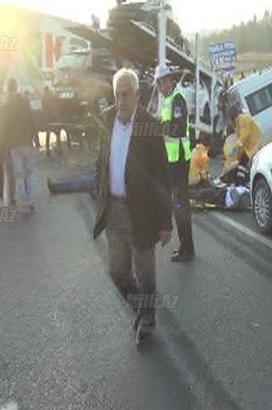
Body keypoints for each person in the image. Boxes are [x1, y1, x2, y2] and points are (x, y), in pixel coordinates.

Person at [92, 68, 172, 346]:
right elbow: (100, 161)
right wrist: (98, 190)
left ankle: (148, 321)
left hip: (142, 213)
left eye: (126, 94)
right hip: (113, 211)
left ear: (138, 95)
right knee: (117, 271)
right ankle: (141, 306)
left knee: (145, 271)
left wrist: (165, 223)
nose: (121, 100)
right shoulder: (105, 120)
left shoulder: (150, 126)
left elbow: (162, 176)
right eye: (117, 95)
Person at [155, 65, 195, 263]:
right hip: (173, 160)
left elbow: (178, 129)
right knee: (179, 205)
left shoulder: (177, 98)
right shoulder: (169, 99)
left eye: (160, 83)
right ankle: (186, 246)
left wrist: (160, 127)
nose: (159, 88)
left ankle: (186, 249)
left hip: (179, 160)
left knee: (180, 206)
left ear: (167, 81)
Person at [0, 78, 37, 213]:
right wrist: (35, 138)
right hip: (27, 142)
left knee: (19, 175)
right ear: (17, 87)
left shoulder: (6, 106)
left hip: (14, 146)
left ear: (8, 89)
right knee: (30, 172)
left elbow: (3, 128)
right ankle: (31, 200)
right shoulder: (24, 103)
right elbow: (32, 121)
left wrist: (4, 147)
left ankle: (25, 202)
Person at [41, 86, 56, 156]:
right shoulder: (51, 98)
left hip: (46, 117)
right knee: (57, 132)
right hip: (51, 117)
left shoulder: (43, 99)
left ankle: (48, 150)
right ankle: (59, 148)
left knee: (48, 133)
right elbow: (53, 107)